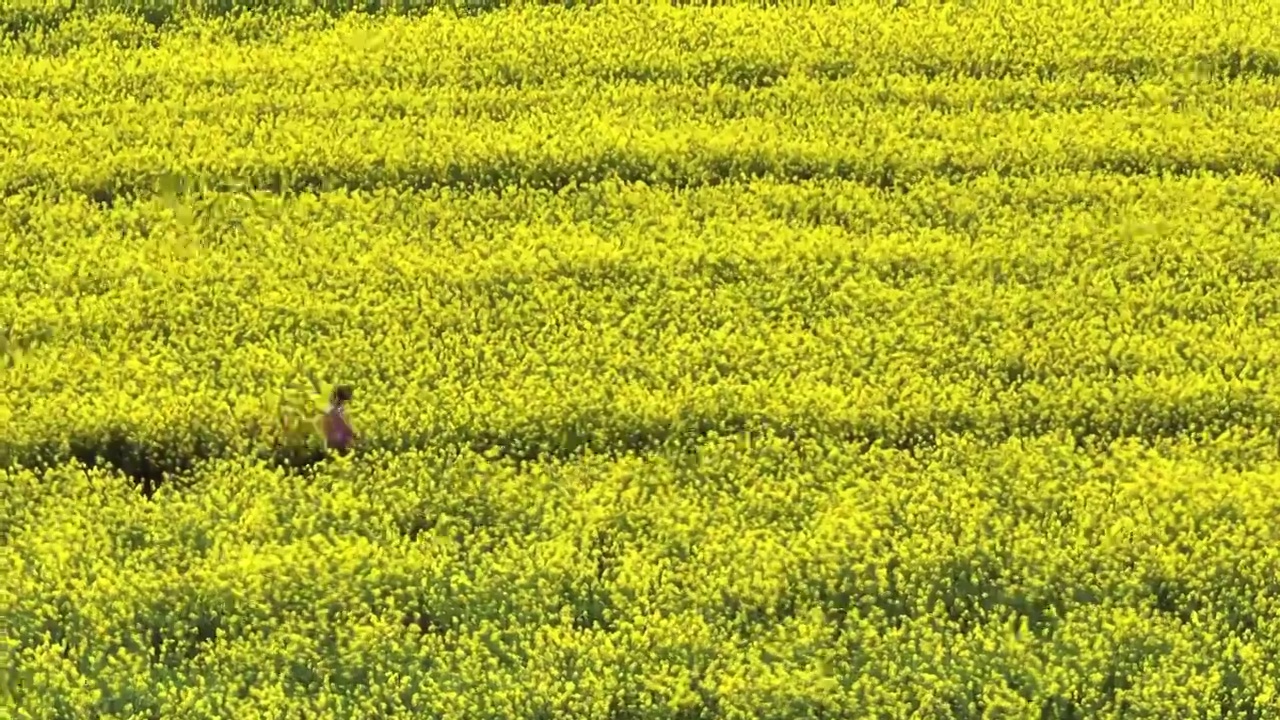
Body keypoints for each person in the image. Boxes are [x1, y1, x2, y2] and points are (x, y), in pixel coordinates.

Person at [321, 385, 357, 454]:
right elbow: (343, 425)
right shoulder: (333, 411)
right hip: (338, 445)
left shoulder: (333, 409)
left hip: (335, 444)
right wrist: (353, 435)